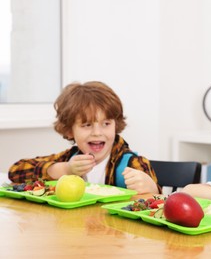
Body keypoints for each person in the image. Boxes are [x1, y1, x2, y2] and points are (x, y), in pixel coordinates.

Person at [8, 81, 160, 194]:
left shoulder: (132, 163)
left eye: (106, 123)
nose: (97, 132)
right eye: (87, 125)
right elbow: (16, 171)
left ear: (116, 125)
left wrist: (152, 188)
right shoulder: (71, 158)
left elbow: (159, 204)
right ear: (69, 130)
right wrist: (66, 169)